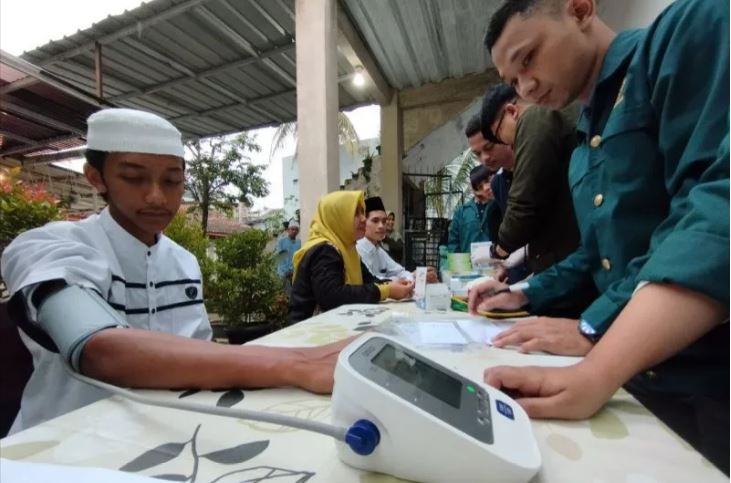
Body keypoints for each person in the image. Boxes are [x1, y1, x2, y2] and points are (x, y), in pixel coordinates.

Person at [470, 0, 729, 471]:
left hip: (709, 372)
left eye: (528, 58)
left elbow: (711, 214)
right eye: (513, 80)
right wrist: (521, 290)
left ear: (579, 9)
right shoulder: (583, 150)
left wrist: (597, 335)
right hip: (641, 374)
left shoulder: (681, 38)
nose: (526, 86)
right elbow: (598, 254)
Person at [0, 108, 353, 434]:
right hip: (64, 442)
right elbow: (98, 348)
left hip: (166, 431)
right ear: (96, 177)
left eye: (171, 181)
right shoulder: (47, 246)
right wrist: (296, 363)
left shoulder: (183, 261)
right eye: (134, 178)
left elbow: (199, 352)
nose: (156, 196)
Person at [480, 84, 595, 315]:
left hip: (572, 276)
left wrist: (500, 252)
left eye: (505, 139)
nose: (512, 146)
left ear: (512, 112)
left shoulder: (534, 116)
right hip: (566, 270)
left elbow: (525, 203)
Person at [288, 191, 414, 322]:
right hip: (309, 333)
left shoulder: (348, 249)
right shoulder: (324, 250)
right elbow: (332, 296)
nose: (363, 219)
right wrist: (386, 290)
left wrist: (396, 284)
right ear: (338, 217)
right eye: (356, 213)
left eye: (362, 212)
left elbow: (369, 280)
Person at [357, 197, 437, 283]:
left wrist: (415, 275)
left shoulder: (377, 249)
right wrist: (408, 278)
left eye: (384, 221)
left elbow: (399, 271)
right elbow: (371, 281)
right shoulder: (357, 250)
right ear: (363, 222)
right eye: (375, 221)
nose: (381, 226)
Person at [447, 165, 497, 253]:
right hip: (468, 264)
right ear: (472, 186)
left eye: (487, 181)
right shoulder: (461, 212)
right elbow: (453, 242)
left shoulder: (501, 206)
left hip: (496, 263)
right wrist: (459, 263)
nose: (486, 187)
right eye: (479, 186)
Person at [275, 219, 301, 296]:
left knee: (293, 294)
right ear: (288, 230)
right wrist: (286, 271)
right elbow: (280, 257)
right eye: (292, 229)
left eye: (296, 230)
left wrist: (294, 270)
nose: (294, 231)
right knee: (283, 294)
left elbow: (298, 257)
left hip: (294, 272)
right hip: (283, 272)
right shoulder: (281, 241)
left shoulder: (299, 242)